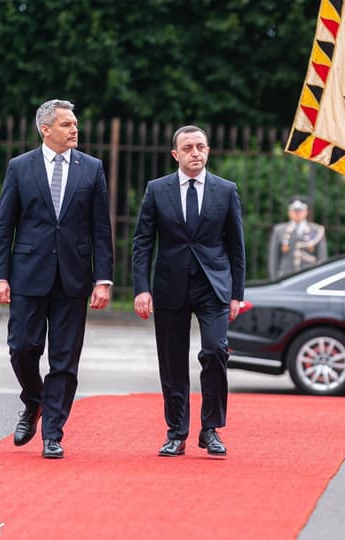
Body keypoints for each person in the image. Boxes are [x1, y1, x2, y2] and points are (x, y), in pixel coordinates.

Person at [0, 99, 114, 460]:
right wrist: (0, 276)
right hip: (28, 275)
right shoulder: (20, 167)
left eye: (75, 124)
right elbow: (5, 226)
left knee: (64, 360)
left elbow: (101, 230)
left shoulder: (91, 168)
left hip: (74, 279)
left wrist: (103, 279)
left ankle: (53, 433)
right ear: (45, 129)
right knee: (22, 348)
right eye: (66, 124)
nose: (74, 129)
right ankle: (34, 400)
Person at [132, 125, 246, 458]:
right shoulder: (157, 190)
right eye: (188, 148)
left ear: (208, 151)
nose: (195, 152)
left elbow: (236, 247)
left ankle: (210, 429)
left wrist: (236, 293)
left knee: (214, 351)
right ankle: (176, 432)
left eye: (201, 147)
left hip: (213, 287)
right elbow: (142, 242)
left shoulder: (225, 191)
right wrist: (142, 289)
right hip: (169, 286)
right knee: (172, 362)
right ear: (175, 155)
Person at [267, 197, 326, 279]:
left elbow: (322, 257)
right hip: (286, 276)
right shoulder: (279, 230)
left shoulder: (316, 230)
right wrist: (274, 278)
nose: (297, 213)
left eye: (300, 210)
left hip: (309, 276)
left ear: (306, 212)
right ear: (289, 212)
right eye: (294, 211)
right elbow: (274, 258)